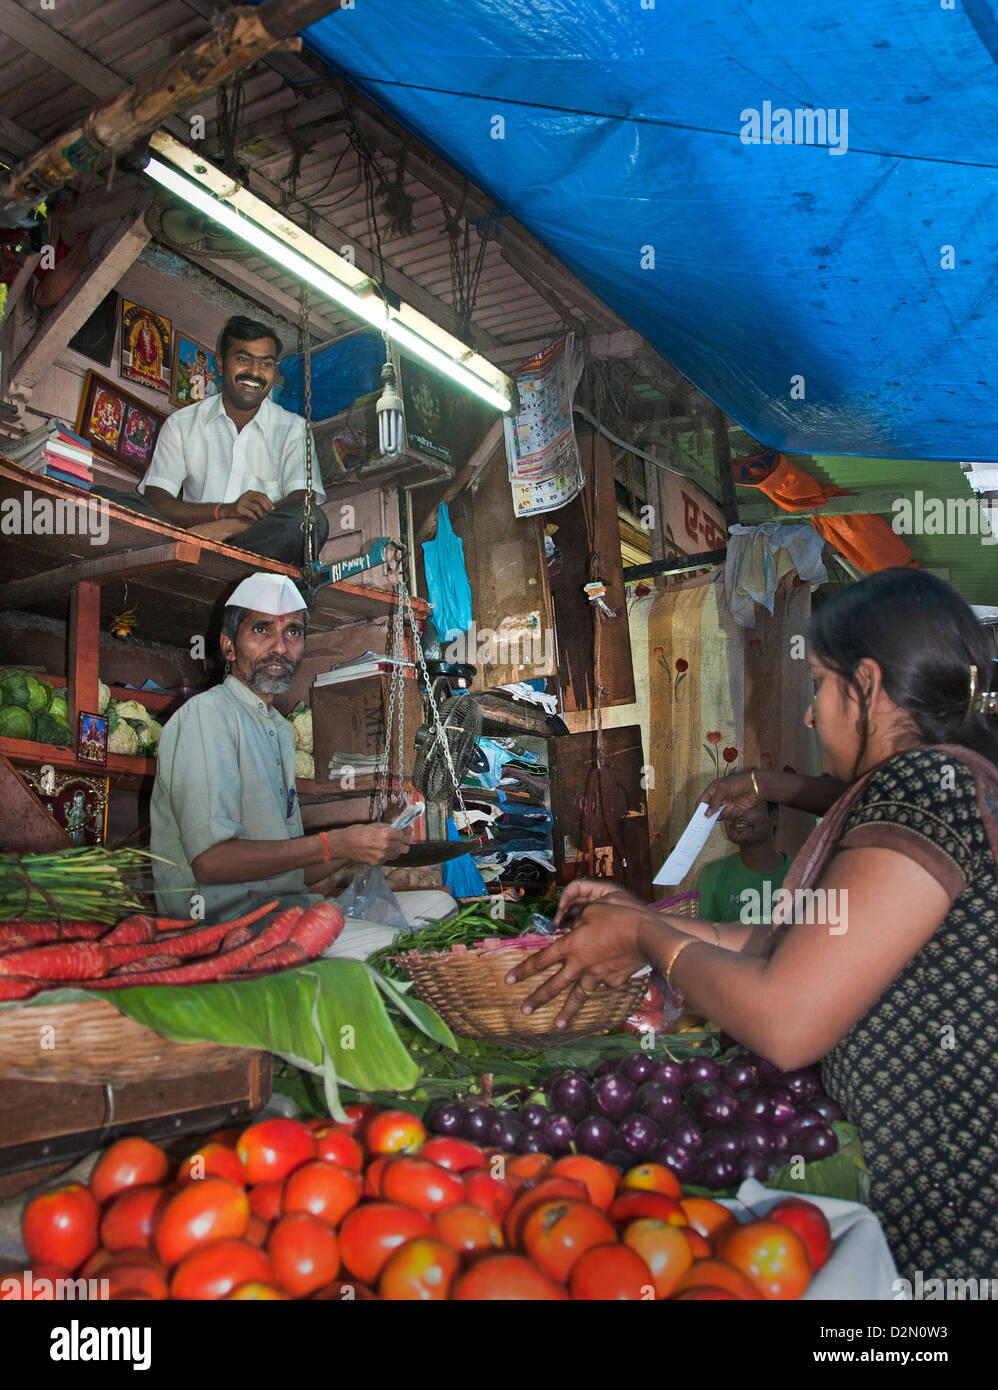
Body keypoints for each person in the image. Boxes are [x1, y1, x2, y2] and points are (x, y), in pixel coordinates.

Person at [507, 568, 998, 1282]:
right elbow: (792, 951)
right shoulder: (953, 782)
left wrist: (649, 940)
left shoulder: (920, 787)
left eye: (823, 683)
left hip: (951, 1224)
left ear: (866, 684)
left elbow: (787, 1016)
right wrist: (639, 920)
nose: (810, 712)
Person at [150, 571, 450, 954]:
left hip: (288, 911)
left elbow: (292, 870)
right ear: (228, 646)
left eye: (292, 632)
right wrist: (337, 842)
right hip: (226, 929)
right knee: (401, 948)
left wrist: (365, 839)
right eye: (262, 630)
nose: (279, 647)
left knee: (438, 908)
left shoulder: (278, 729)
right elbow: (210, 862)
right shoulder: (206, 716)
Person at [94, 316, 328, 566]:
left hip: (256, 550)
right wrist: (222, 511)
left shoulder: (293, 428)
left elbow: (303, 498)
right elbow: (157, 499)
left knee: (311, 518)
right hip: (192, 542)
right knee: (101, 499)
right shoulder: (182, 423)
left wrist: (231, 525)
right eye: (243, 359)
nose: (255, 372)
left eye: (266, 364)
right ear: (220, 364)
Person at [694, 799, 790, 924]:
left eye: (748, 805)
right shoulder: (712, 875)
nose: (736, 814)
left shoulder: (805, 874)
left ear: (774, 817)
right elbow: (704, 935)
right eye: (728, 808)